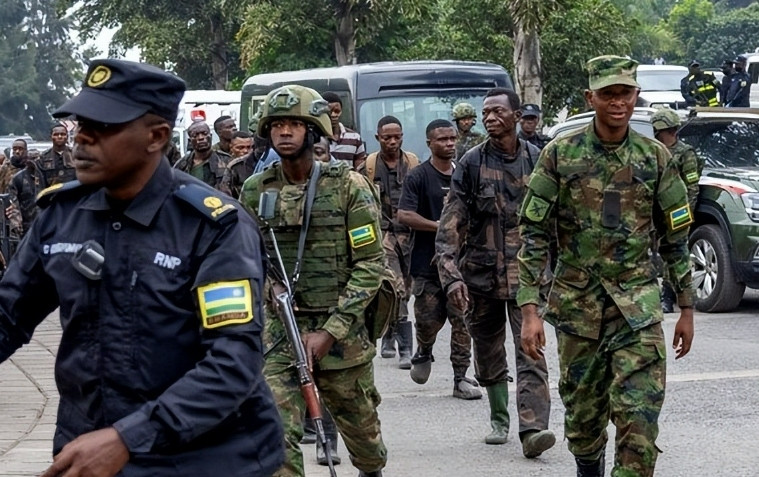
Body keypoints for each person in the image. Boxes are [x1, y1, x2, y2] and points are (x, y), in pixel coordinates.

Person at [0, 59, 284, 477]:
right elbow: (9, 314)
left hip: (205, 459)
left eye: (103, 128)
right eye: (81, 124)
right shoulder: (62, 215)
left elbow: (233, 362)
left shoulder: (213, 227)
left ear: (157, 137)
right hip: (90, 453)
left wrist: (127, 438)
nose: (82, 140)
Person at [517, 55, 695, 477]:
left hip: (638, 309)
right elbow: (533, 235)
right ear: (590, 96)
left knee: (640, 421)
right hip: (578, 310)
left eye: (626, 93)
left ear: (637, 97)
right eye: (609, 94)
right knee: (584, 419)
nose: (619, 102)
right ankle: (588, 467)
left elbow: (675, 238)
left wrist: (686, 308)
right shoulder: (560, 155)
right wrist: (529, 310)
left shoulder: (655, 158)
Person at [240, 84, 386, 477]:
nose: (285, 132)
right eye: (277, 125)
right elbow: (246, 258)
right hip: (281, 332)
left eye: (294, 124)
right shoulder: (256, 189)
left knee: (366, 443)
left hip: (342, 332)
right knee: (273, 435)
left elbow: (371, 265)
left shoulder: (348, 186)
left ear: (313, 130)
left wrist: (330, 332)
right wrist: (270, 290)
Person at [436, 87, 555, 455]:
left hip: (527, 278)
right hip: (481, 276)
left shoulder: (538, 161)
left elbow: (558, 221)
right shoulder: (471, 163)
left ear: (517, 116)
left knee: (530, 350)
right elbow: (450, 221)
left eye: (497, 112)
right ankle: (499, 417)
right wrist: (450, 273)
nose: (489, 117)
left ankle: (533, 429)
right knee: (488, 353)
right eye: (485, 112)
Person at [397, 119, 481, 400]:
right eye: (443, 139)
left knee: (462, 319)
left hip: (460, 266)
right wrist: (442, 226)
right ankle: (424, 348)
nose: (449, 144)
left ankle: (460, 378)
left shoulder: (465, 174)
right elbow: (404, 215)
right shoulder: (418, 176)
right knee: (428, 321)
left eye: (452, 139)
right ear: (429, 143)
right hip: (427, 265)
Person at [357, 115, 418, 369]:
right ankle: (406, 347)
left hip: (411, 235)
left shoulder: (413, 164)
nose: (392, 142)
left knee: (407, 287)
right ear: (377, 138)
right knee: (395, 287)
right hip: (383, 236)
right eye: (387, 138)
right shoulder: (368, 167)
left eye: (397, 137)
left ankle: (389, 334)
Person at [651, 108, 703, 314]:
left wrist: (683, 215)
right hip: (655, 211)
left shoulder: (685, 153)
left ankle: (669, 295)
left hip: (676, 211)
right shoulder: (654, 150)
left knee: (673, 254)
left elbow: (691, 186)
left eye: (659, 130)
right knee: (653, 253)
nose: (656, 134)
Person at [173, 121, 231, 190]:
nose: (201, 138)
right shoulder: (182, 165)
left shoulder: (227, 161)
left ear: (211, 136)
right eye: (195, 135)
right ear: (190, 140)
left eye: (204, 134)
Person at [322, 91, 367, 169]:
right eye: (329, 112)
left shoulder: (354, 137)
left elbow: (360, 170)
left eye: (337, 111)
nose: (333, 115)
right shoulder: (316, 138)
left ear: (341, 111)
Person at [7, 147, 40, 239]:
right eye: (32, 159)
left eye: (37, 158)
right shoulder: (18, 178)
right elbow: (13, 203)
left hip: (45, 223)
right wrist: (17, 225)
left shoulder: (45, 176)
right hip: (26, 224)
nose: (34, 161)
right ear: (26, 161)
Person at [36, 123, 76, 189]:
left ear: (67, 136)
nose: (59, 137)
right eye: (56, 134)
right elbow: (40, 184)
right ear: (51, 137)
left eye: (63, 134)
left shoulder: (76, 155)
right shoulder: (43, 158)